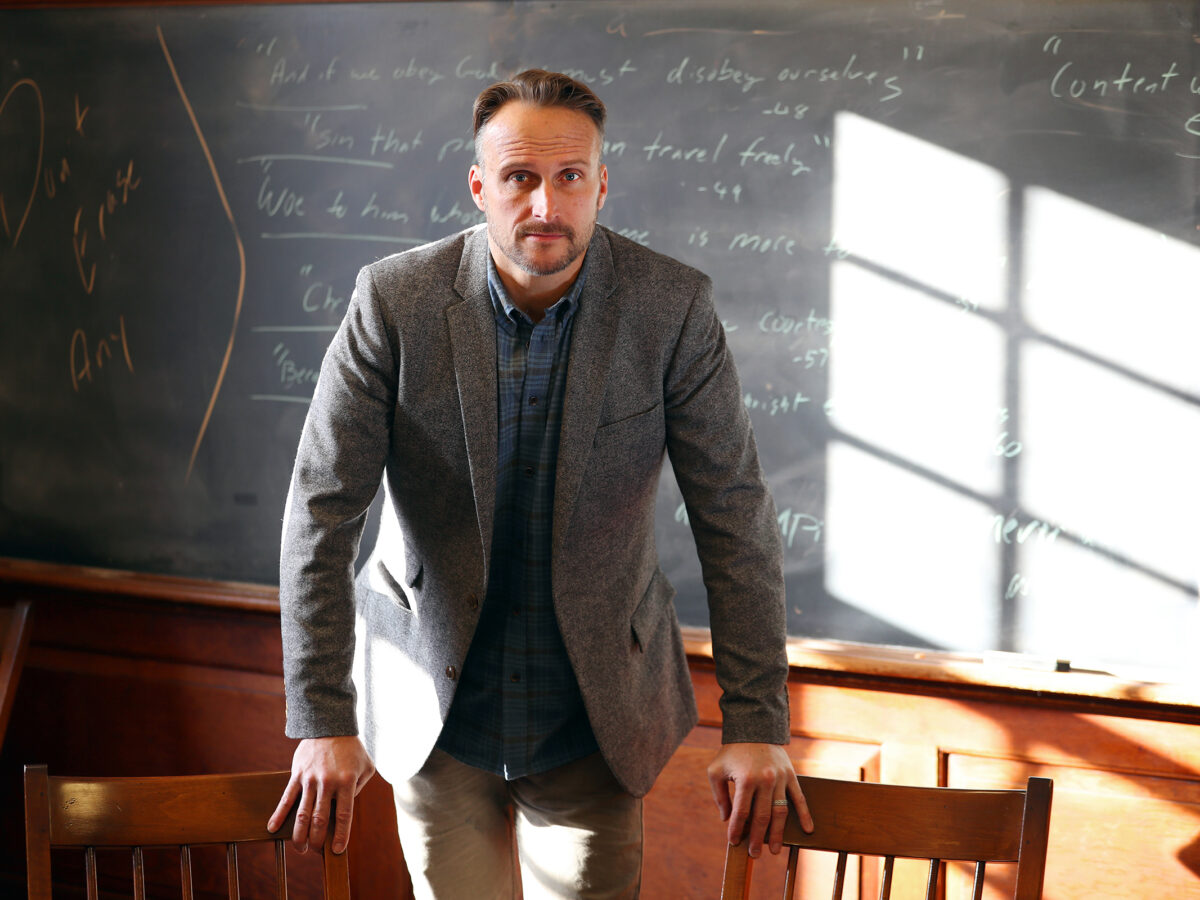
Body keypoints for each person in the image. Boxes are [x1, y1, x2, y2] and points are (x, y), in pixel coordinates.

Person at [269, 68, 812, 899]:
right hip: (433, 706)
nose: (546, 207)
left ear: (602, 184)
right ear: (481, 186)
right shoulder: (393, 301)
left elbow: (732, 513)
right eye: (520, 178)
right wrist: (319, 716)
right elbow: (321, 509)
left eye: (569, 178)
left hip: (593, 719)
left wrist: (757, 721)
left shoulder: (672, 308)